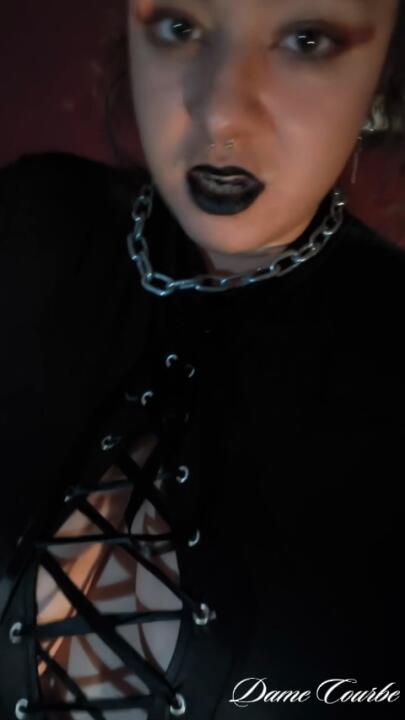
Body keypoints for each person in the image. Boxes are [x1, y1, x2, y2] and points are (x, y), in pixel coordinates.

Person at [0, 0, 404, 718]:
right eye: (180, 26)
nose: (220, 113)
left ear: (383, 68)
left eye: (307, 39)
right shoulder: (30, 226)